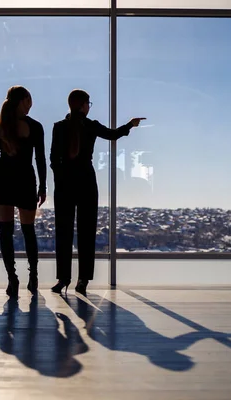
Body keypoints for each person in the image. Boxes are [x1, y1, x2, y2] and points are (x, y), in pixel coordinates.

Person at [50, 89, 144, 295]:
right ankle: (82, 280)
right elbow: (113, 135)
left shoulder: (59, 127)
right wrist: (130, 124)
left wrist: (60, 178)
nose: (88, 107)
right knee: (86, 232)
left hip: (64, 184)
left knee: (63, 232)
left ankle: (63, 279)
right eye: (88, 104)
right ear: (83, 105)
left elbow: (53, 159)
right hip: (86, 181)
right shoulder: (90, 126)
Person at [0, 86, 46, 297]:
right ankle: (34, 277)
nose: (31, 103)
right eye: (30, 99)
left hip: (3, 181)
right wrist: (43, 186)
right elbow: (40, 159)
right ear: (24, 100)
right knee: (28, 231)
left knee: (6, 232)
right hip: (26, 181)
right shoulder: (35, 127)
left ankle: (12, 279)